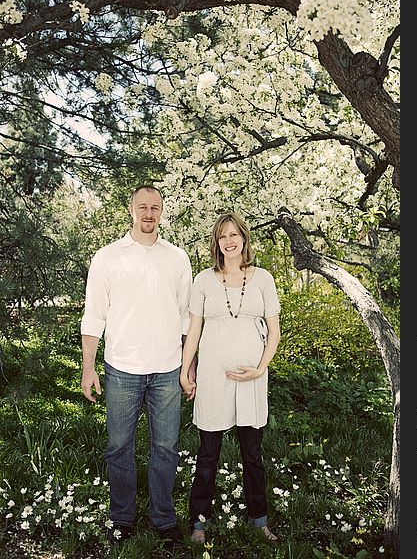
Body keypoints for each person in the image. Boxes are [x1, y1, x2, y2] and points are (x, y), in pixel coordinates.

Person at [80, 185, 192, 547]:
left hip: (167, 369)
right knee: (118, 447)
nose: (148, 213)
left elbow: (188, 319)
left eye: (155, 208)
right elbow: (94, 315)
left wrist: (189, 367)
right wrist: (88, 367)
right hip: (121, 368)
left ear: (162, 212)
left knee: (166, 448)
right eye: (142, 207)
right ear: (131, 209)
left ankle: (164, 518)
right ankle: (122, 518)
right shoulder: (108, 257)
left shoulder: (177, 258)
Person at [180, 212, 281, 544]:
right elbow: (193, 330)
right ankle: (199, 522)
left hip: (252, 378)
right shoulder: (204, 281)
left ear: (244, 238)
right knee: (208, 453)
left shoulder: (263, 278)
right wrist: (186, 369)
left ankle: (259, 520)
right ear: (216, 243)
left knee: (252, 453)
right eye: (222, 236)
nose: (229, 240)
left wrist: (261, 367)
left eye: (234, 234)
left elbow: (275, 333)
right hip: (212, 377)